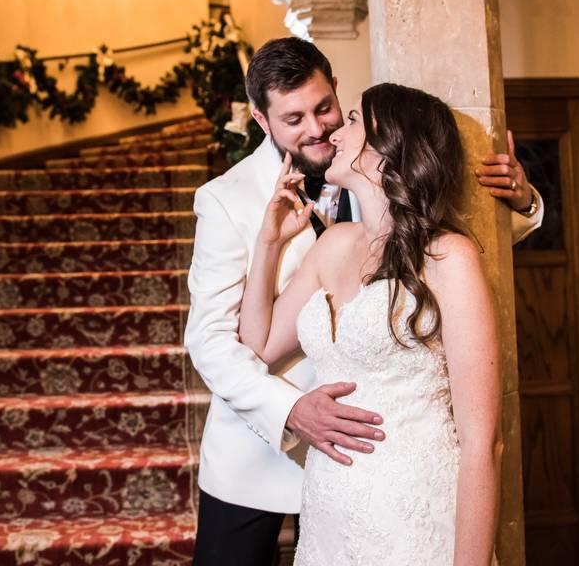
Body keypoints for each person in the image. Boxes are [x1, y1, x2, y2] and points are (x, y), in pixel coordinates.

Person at [184, 38, 542, 565]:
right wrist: (291, 411)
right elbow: (214, 342)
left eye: (327, 108)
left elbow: (441, 246)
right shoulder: (228, 199)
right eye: (294, 118)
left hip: (400, 471)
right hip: (263, 451)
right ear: (261, 120)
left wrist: (523, 201)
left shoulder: (365, 161)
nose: (318, 128)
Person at [240, 83, 498, 564]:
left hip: (415, 516)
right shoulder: (334, 244)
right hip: (328, 515)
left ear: (390, 148)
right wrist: (268, 244)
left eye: (354, 120)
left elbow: (483, 441)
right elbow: (257, 346)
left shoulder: (448, 258)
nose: (336, 132)